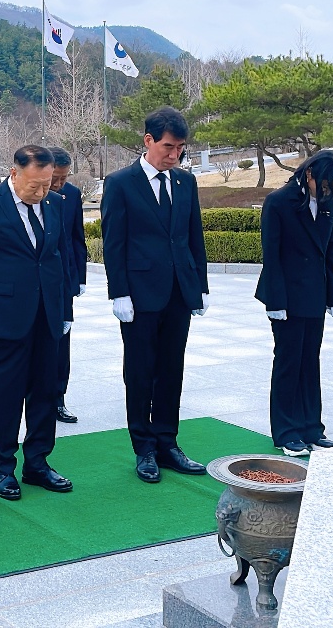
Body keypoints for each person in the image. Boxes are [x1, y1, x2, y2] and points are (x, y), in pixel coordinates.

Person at [101, 107, 210, 483]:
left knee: (171, 369)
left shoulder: (185, 182)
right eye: (168, 147)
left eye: (180, 148)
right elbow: (114, 242)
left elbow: (193, 236)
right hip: (139, 294)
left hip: (179, 291)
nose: (174, 155)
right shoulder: (120, 183)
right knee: (140, 372)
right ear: (148, 140)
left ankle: (167, 443)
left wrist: (200, 286)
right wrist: (119, 293)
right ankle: (144, 448)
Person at [0, 144, 73, 500]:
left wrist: (65, 310)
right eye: (34, 185)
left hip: (48, 313)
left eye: (47, 184)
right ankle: (2, 467)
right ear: (14, 173)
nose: (41, 192)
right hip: (7, 313)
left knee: (45, 391)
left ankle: (38, 463)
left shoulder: (55, 203)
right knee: (6, 394)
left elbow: (60, 258)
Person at [255, 150, 333, 457]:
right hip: (285, 295)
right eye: (324, 186)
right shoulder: (278, 202)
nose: (327, 193)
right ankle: (286, 431)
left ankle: (312, 427)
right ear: (309, 173)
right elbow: (271, 254)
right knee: (289, 362)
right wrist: (275, 301)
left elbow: (331, 251)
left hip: (315, 293)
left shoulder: (327, 203)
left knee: (310, 361)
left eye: (332, 188)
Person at [48, 147, 88, 424]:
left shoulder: (71, 195)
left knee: (62, 344)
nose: (59, 184)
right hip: (36, 281)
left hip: (64, 281)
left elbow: (77, 238)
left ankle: (58, 398)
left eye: (64, 178)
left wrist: (80, 277)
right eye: (55, 178)